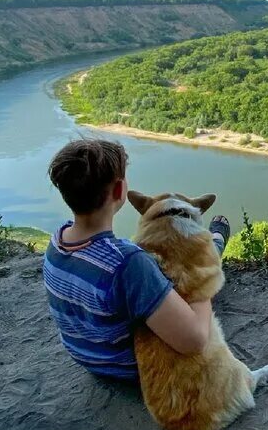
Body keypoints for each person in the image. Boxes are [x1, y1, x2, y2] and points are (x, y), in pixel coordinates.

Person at [41, 138, 231, 381]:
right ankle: (215, 241)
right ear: (120, 190)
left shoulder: (57, 241)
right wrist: (202, 281)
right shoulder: (128, 263)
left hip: (86, 357)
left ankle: (215, 241)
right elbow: (194, 341)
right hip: (136, 368)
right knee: (195, 268)